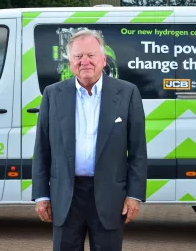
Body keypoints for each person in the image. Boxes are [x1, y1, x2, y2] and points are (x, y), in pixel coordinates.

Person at [32, 29, 147, 251]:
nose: (85, 61)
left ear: (103, 59)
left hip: (109, 198)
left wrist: (134, 196)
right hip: (66, 197)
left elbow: (137, 152)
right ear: (70, 61)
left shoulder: (127, 93)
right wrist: (41, 196)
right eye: (78, 56)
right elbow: (42, 150)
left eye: (91, 55)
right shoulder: (52, 94)